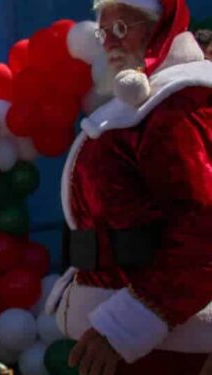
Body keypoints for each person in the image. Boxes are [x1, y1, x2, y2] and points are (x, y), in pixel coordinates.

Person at [44, 0, 212, 374]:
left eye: (122, 28)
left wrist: (122, 329)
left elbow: (203, 230)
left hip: (163, 347)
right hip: (131, 341)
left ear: (161, 27)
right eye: (104, 32)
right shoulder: (150, 103)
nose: (109, 43)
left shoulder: (179, 105)